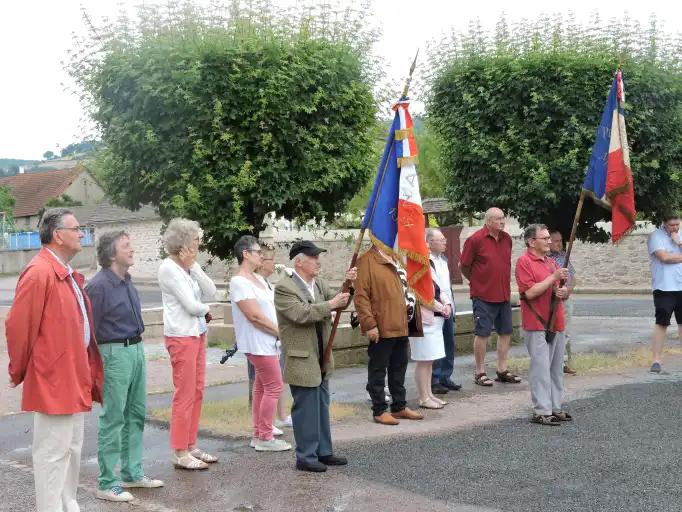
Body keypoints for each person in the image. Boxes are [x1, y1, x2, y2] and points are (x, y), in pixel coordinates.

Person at [6, 207, 104, 512]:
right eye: (76, 229)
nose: (81, 233)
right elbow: (19, 326)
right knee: (52, 454)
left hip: (73, 376)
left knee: (72, 450)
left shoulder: (65, 272)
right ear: (58, 235)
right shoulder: (39, 272)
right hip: (54, 379)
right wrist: (19, 369)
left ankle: (67, 505)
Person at [85, 231, 164, 502]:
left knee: (136, 414)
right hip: (114, 353)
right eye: (126, 246)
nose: (132, 249)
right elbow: (88, 330)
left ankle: (132, 472)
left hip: (137, 349)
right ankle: (107, 482)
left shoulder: (127, 282)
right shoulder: (98, 287)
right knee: (114, 417)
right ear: (110, 254)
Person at [274, 241, 354, 472]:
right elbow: (300, 314)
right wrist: (331, 303)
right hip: (302, 357)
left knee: (321, 405)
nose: (318, 261)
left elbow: (340, 302)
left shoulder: (318, 283)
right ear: (299, 262)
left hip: (322, 354)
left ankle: (324, 451)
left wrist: (349, 284)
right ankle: (306, 456)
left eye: (318, 256)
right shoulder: (284, 287)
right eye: (313, 257)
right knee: (306, 408)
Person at [158, 218, 217, 469]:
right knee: (184, 394)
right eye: (195, 242)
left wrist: (195, 267)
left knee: (197, 390)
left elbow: (211, 290)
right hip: (181, 336)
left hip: (196, 334)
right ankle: (180, 451)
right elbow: (193, 306)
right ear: (183, 244)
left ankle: (191, 444)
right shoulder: (169, 268)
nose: (198, 246)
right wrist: (206, 309)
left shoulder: (188, 268)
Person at [230, 236, 291, 452]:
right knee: (274, 386)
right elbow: (254, 316)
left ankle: (258, 433)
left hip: (268, 342)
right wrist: (279, 332)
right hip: (257, 343)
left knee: (262, 387)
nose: (261, 255)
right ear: (245, 254)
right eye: (257, 252)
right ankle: (265, 436)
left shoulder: (258, 279)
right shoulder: (239, 282)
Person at [354, 244, 424, 425]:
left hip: (401, 324)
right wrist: (369, 324)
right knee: (378, 369)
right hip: (382, 325)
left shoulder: (395, 257)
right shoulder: (366, 261)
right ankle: (379, 410)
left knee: (399, 367)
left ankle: (399, 406)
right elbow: (361, 296)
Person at [516, 224, 571, 426]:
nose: (549, 241)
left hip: (556, 321)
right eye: (545, 238)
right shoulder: (524, 262)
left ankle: (555, 407)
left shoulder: (550, 262)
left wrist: (563, 291)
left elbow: (559, 289)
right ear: (532, 242)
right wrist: (553, 278)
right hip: (537, 321)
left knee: (556, 368)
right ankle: (541, 410)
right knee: (540, 369)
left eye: (549, 237)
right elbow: (529, 292)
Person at [460, 207, 520, 386]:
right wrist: (477, 281)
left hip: (503, 294)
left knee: (506, 332)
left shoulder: (507, 239)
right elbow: (464, 265)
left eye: (503, 218)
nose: (502, 222)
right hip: (483, 295)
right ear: (488, 221)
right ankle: (480, 372)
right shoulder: (475, 240)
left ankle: (502, 369)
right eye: (498, 219)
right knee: (483, 333)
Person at [257, 247, 293, 430]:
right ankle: (266, 427)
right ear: (262, 262)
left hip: (273, 338)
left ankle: (279, 417)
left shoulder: (267, 283)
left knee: (274, 382)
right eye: (271, 259)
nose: (274, 263)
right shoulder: (256, 283)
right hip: (264, 339)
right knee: (272, 385)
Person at [409, 263, 451, 409]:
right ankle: (423, 397)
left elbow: (440, 290)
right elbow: (421, 297)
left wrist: (447, 304)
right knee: (423, 359)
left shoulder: (429, 266)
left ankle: (429, 394)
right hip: (423, 321)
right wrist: (441, 308)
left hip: (436, 321)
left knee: (430, 360)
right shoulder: (414, 269)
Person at [426, 228, 461, 393]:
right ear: (430, 242)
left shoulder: (444, 260)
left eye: (444, 239)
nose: (445, 242)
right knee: (437, 344)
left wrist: (451, 306)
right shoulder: (427, 261)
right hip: (436, 308)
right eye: (441, 239)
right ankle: (434, 379)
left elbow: (447, 287)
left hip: (448, 306)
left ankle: (446, 377)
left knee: (449, 343)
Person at [647, 213, 682, 373]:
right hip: (664, 287)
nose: (675, 228)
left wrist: (679, 242)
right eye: (671, 225)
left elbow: (671, 257)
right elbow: (664, 257)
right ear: (664, 223)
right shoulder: (656, 236)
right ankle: (656, 360)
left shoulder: (680, 235)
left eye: (677, 224)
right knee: (662, 323)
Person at [548, 230, 577, 375]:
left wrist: (568, 290)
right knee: (554, 332)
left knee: (566, 332)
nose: (559, 244)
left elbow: (573, 278)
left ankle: (564, 362)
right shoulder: (546, 259)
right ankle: (554, 362)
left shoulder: (564, 256)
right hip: (551, 300)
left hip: (565, 299)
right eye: (556, 241)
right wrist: (556, 291)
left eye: (560, 240)